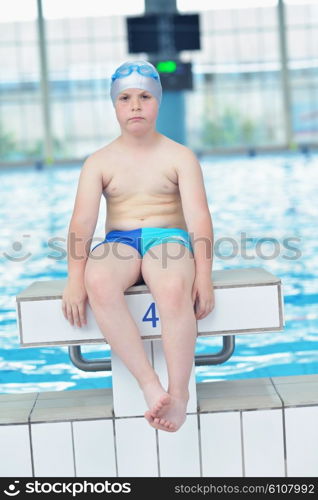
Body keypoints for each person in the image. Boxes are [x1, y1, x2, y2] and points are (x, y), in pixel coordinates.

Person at [62, 60, 215, 432]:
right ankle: (150, 385)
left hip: (169, 237)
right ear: (114, 106)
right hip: (121, 241)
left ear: (157, 103)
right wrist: (73, 278)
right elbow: (82, 223)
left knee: (172, 285)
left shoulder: (179, 156)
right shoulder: (99, 162)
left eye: (145, 97)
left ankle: (178, 395)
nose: (135, 106)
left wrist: (205, 277)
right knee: (98, 281)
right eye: (126, 98)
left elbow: (199, 218)